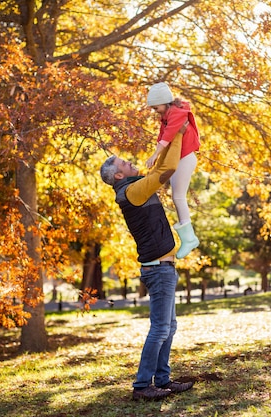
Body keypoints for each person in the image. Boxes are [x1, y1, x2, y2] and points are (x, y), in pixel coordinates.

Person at [99, 123, 194, 401]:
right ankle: (142, 386)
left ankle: (162, 379)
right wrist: (177, 134)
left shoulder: (134, 187)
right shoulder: (132, 192)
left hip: (163, 267)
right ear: (118, 175)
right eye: (125, 163)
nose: (130, 162)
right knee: (160, 328)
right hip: (158, 269)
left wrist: (169, 136)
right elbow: (165, 172)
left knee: (169, 326)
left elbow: (159, 167)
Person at [146, 82, 201, 259]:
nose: (155, 111)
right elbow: (162, 135)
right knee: (176, 196)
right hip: (181, 159)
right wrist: (157, 157)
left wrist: (155, 155)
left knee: (178, 196)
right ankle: (188, 238)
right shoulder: (168, 115)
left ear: (165, 102)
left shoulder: (177, 113)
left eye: (156, 107)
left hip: (186, 158)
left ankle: (190, 239)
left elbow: (168, 136)